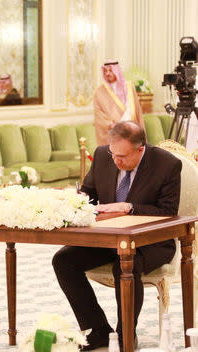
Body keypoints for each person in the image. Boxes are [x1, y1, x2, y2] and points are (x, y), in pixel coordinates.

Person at [52, 121, 182, 350]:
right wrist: (75, 201)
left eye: (121, 156)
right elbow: (89, 194)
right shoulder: (103, 155)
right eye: (113, 154)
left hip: (151, 243)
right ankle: (98, 331)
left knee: (125, 266)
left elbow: (168, 212)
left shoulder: (167, 164)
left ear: (140, 149)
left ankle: (125, 335)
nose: (115, 161)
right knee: (63, 260)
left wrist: (129, 207)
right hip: (109, 238)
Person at [93, 61, 144, 145]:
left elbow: (133, 108)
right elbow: (99, 114)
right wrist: (112, 124)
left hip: (131, 128)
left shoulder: (129, 87)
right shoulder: (99, 91)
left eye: (110, 70)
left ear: (117, 71)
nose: (108, 73)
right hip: (113, 131)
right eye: (105, 71)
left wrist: (124, 124)